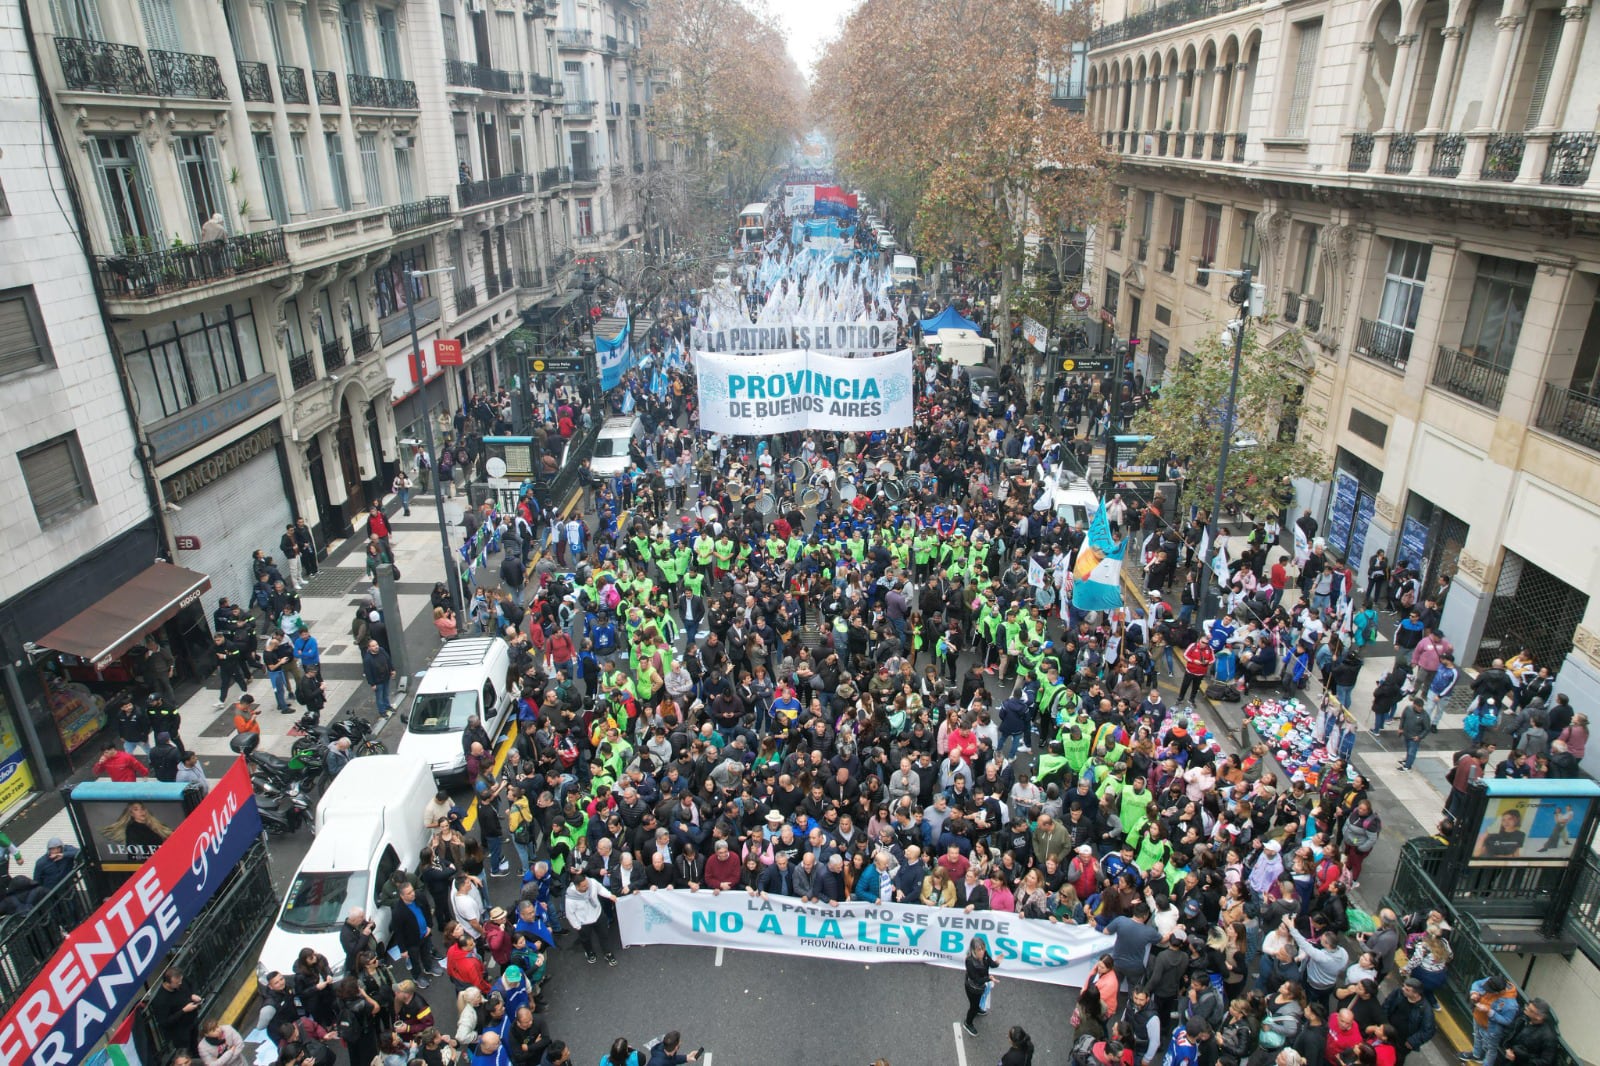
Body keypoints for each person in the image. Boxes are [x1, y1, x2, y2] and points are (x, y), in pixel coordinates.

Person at [565, 869, 617, 965]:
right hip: (584, 922)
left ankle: (607, 953)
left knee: (604, 936)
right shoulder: (570, 899)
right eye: (584, 886)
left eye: (586, 884)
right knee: (585, 939)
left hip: (598, 915)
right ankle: (589, 952)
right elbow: (570, 914)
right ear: (577, 887)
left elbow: (600, 889)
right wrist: (577, 926)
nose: (587, 886)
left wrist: (609, 895)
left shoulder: (591, 882)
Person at [1498, 998, 1559, 1066]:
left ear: (1539, 1017)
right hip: (1508, 1056)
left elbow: (1546, 1062)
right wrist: (1506, 1048)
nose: (1526, 1009)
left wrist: (1523, 1059)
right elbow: (1509, 1032)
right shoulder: (1523, 1017)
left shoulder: (1549, 1037)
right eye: (1527, 1006)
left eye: (1530, 1010)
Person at [961, 935, 997, 1036]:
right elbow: (976, 980)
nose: (982, 951)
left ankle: (977, 1009)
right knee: (973, 1006)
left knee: (978, 1002)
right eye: (979, 950)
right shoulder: (969, 961)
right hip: (972, 988)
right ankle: (968, 1023)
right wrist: (989, 978)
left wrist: (997, 962)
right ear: (973, 950)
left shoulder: (985, 954)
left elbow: (991, 963)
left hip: (981, 985)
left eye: (983, 948)